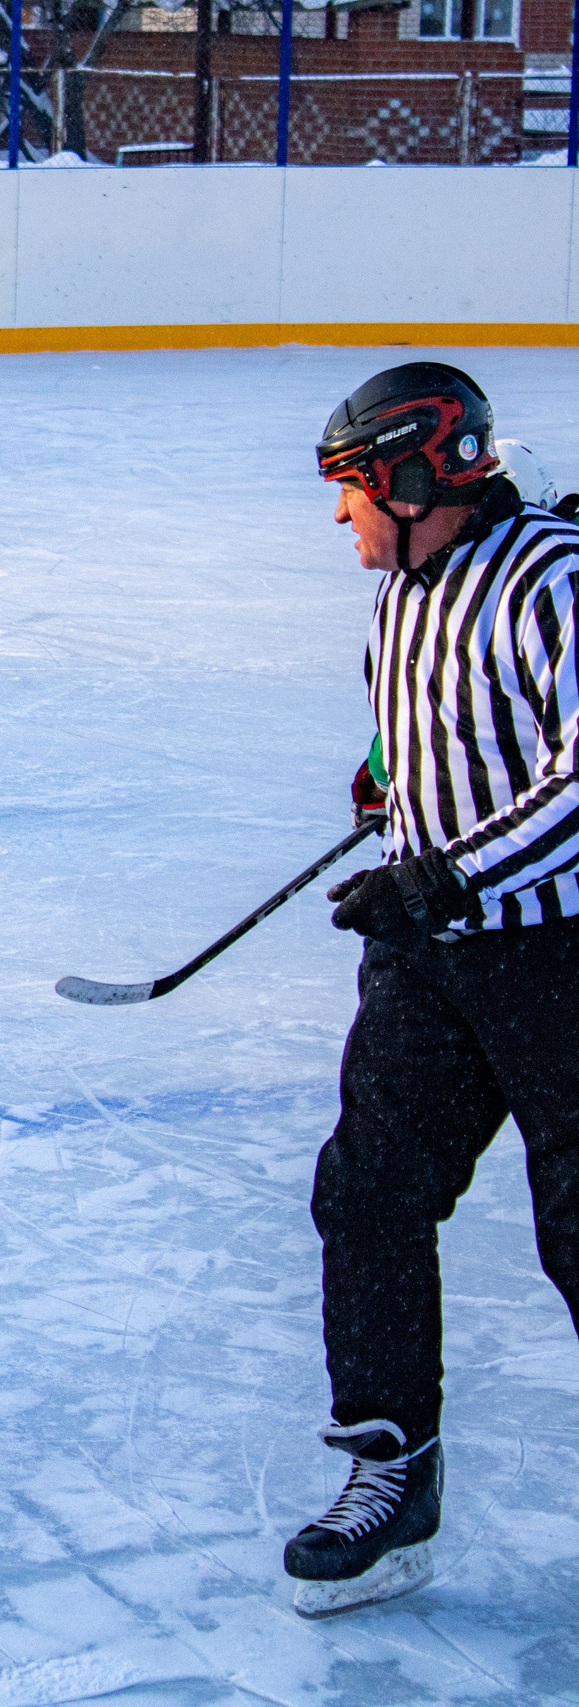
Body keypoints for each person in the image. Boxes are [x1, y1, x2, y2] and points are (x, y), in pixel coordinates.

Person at [288, 364, 579, 1615]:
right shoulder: (400, 592)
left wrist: (452, 872)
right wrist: (385, 781)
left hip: (558, 957)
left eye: (351, 489)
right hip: (426, 956)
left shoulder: (553, 578)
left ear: (414, 480)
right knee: (367, 1194)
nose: (339, 516)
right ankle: (391, 1469)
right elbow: (413, 724)